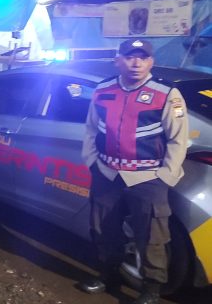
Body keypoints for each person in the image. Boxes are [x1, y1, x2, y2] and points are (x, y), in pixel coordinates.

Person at [78, 39, 188, 304]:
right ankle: (108, 276)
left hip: (148, 178)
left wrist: (165, 176)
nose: (136, 63)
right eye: (129, 57)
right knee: (103, 229)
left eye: (143, 58)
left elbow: (178, 138)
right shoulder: (103, 89)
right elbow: (91, 128)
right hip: (107, 174)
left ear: (151, 62)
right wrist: (92, 162)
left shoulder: (166, 93)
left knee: (151, 237)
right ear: (118, 61)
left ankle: (151, 289)